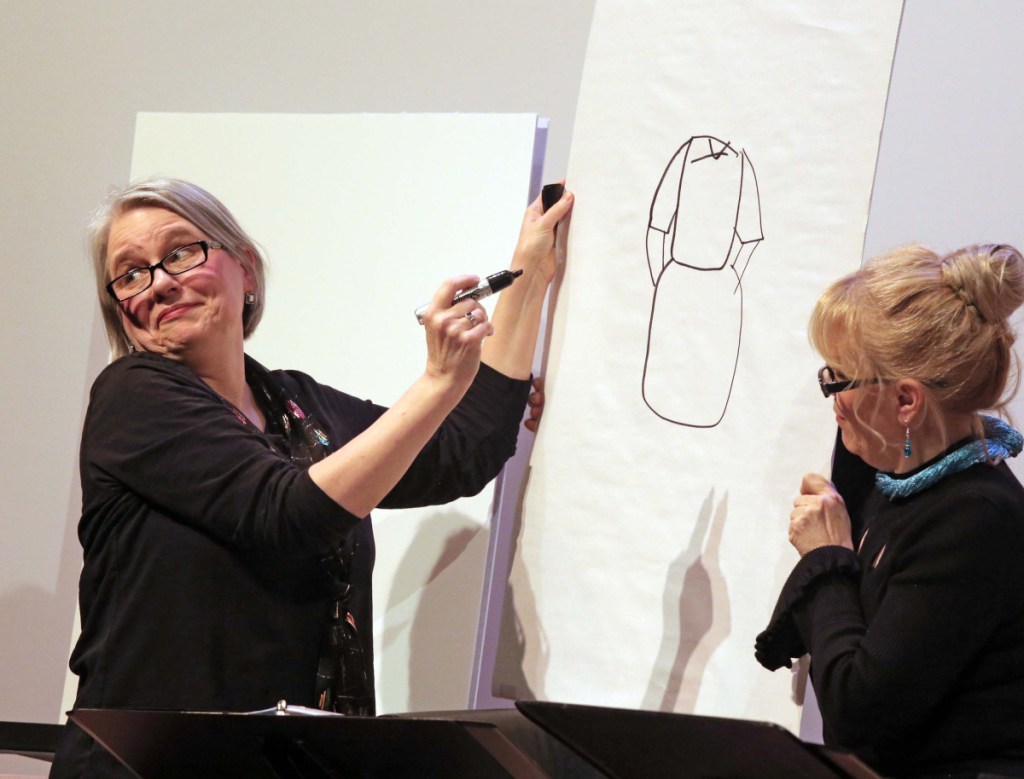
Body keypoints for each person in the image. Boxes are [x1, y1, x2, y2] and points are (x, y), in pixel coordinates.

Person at [50, 177, 572, 778]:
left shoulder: (297, 407)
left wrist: (530, 273)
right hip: (151, 767)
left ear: (245, 268)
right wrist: (437, 383)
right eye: (130, 273)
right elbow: (286, 514)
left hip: (288, 764)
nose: (160, 281)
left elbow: (460, 451)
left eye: (179, 252)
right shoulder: (133, 396)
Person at [755, 243, 1024, 779]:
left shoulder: (974, 519)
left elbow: (858, 714)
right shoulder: (897, 476)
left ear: (906, 401)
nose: (831, 397)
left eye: (838, 378)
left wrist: (827, 557)